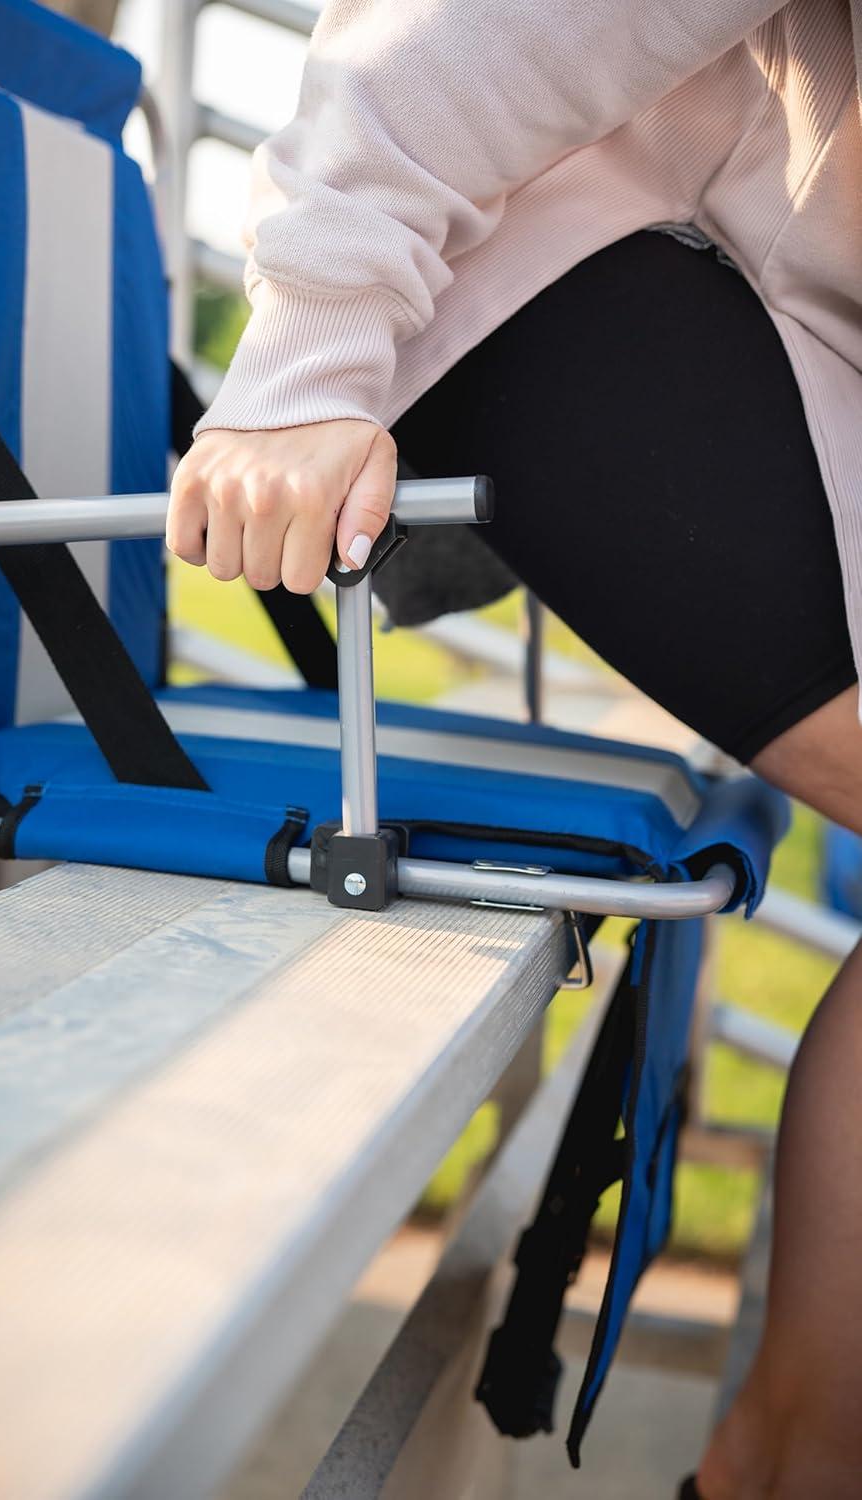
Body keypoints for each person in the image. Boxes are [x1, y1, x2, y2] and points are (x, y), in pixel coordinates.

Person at [166, 5, 862, 1494]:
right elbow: (465, 30)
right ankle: (787, 1466)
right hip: (591, 269)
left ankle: (786, 1462)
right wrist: (305, 361)